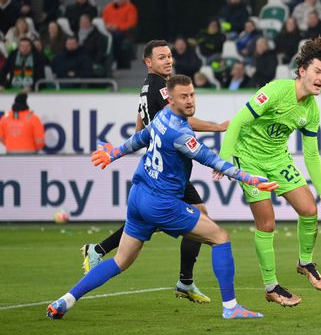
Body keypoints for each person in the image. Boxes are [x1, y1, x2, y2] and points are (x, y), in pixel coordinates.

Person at [46, 74, 277, 320]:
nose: (190, 101)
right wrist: (250, 178)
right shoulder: (180, 133)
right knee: (220, 237)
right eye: (183, 97)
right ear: (171, 97)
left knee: (121, 261)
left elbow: (141, 138)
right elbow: (210, 159)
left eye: (192, 95)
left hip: (139, 196)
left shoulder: (162, 116)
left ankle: (65, 301)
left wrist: (114, 153)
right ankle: (231, 307)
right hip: (161, 203)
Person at [81, 40, 228, 304]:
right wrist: (218, 127)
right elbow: (179, 120)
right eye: (162, 57)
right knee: (190, 219)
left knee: (167, 218)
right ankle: (184, 281)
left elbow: (140, 124)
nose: (169, 61)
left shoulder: (146, 87)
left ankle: (100, 249)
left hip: (161, 164)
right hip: (167, 169)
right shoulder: (161, 88)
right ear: (148, 62)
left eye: (170, 56)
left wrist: (142, 139)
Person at [217, 37, 321, 307]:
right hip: (248, 158)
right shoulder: (275, 91)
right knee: (267, 223)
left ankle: (305, 263)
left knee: (309, 209)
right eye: (317, 72)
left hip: (277, 159)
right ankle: (271, 287)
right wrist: (224, 160)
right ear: (302, 71)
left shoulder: (312, 110)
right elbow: (237, 121)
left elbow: (311, 153)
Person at [102, 0, 138, 68]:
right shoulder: (108, 8)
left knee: (116, 37)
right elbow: (104, 20)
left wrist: (117, 27)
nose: (119, 0)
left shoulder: (130, 7)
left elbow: (131, 23)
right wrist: (108, 26)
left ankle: (115, 60)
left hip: (123, 32)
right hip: (109, 31)